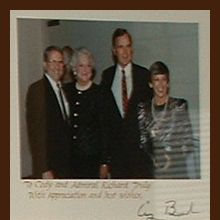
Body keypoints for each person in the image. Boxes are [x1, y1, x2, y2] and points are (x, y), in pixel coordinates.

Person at [100, 28, 153, 179]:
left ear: (132, 49)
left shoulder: (144, 76)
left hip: (141, 157)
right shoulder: (107, 76)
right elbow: (104, 121)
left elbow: (151, 118)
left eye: (128, 46)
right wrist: (105, 160)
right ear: (114, 50)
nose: (125, 51)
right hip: (117, 159)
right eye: (120, 47)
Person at [137, 61, 195, 179]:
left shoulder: (179, 106)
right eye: (156, 80)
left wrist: (171, 158)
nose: (160, 84)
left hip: (176, 170)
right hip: (153, 171)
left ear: (168, 82)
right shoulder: (143, 108)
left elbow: (188, 141)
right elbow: (143, 142)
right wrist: (156, 159)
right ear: (150, 84)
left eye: (163, 79)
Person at [26, 46, 72, 179]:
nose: (57, 66)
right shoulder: (37, 90)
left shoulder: (64, 89)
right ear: (45, 65)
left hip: (65, 164)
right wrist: (44, 168)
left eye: (60, 62)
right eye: (53, 62)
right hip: (49, 167)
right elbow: (36, 134)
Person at [64, 47, 106, 179]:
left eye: (88, 65)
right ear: (74, 69)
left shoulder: (100, 93)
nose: (85, 69)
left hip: (93, 161)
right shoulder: (66, 91)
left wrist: (104, 162)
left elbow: (106, 130)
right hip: (70, 161)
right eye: (81, 65)